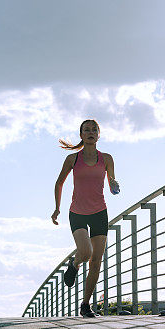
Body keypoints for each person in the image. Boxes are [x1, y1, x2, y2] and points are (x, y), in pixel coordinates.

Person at [52, 119, 119, 317]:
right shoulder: (73, 159)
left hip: (99, 212)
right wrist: (57, 208)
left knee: (96, 262)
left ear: (99, 135)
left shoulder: (106, 158)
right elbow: (59, 183)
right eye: (86, 130)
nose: (90, 132)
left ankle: (85, 305)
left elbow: (112, 184)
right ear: (81, 135)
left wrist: (114, 185)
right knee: (86, 252)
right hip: (78, 212)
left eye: (94, 130)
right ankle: (74, 265)